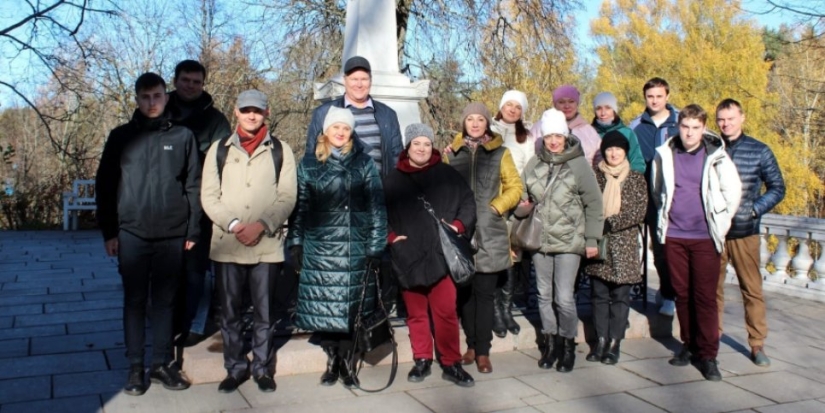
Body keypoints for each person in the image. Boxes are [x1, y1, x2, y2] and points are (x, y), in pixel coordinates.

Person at [95, 72, 200, 395]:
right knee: (135, 301)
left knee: (166, 302)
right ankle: (135, 368)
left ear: (166, 97)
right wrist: (110, 232)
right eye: (145, 97)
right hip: (132, 234)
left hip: (172, 233)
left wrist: (192, 228)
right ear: (137, 100)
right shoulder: (120, 137)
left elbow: (194, 185)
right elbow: (105, 186)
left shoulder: (183, 136)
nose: (152, 103)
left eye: (157, 96)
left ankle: (161, 363)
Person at [200, 90, 297, 393]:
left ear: (267, 112)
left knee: (264, 312)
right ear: (236, 112)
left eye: (257, 110)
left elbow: (287, 196)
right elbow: (209, 195)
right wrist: (234, 224)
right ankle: (235, 367)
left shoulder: (282, 150)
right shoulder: (220, 150)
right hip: (228, 244)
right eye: (246, 110)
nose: (251, 115)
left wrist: (261, 225)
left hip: (266, 245)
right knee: (229, 313)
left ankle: (262, 368)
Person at [287, 106, 387, 389]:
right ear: (325, 131)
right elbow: (300, 208)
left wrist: (376, 247)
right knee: (326, 308)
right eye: (336, 128)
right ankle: (332, 359)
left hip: (355, 247)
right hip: (321, 248)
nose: (341, 132)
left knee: (350, 309)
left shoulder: (365, 163)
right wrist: (295, 243)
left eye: (345, 128)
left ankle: (346, 361)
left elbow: (377, 208)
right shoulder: (308, 164)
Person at [650, 104, 742, 382]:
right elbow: (657, 190)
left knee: (704, 297)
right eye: (685, 127)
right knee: (682, 293)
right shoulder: (665, 154)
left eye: (695, 128)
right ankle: (688, 345)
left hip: (704, 237)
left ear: (703, 128)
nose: (690, 133)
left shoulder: (716, 155)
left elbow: (732, 192)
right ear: (679, 126)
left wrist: (720, 224)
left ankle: (709, 355)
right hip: (676, 236)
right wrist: (666, 218)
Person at [383, 123, 477, 387]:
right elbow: (379, 214)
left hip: (440, 254)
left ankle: (451, 362)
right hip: (408, 253)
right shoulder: (392, 179)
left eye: (426, 143)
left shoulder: (448, 174)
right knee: (416, 313)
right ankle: (422, 359)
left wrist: (458, 226)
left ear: (432, 145)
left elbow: (468, 202)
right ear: (408, 146)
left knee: (446, 311)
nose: (422, 148)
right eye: (416, 143)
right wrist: (391, 238)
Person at [521, 108, 603, 373]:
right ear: (543, 137)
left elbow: (594, 203)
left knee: (564, 297)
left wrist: (592, 239)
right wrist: (521, 207)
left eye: (558, 135)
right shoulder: (535, 163)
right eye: (549, 136)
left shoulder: (578, 164)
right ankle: (550, 342)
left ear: (566, 135)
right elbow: (523, 196)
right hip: (540, 241)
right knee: (543, 295)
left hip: (569, 240)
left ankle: (568, 345)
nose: (554, 141)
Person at [445, 102, 522, 374]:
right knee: (465, 295)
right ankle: (471, 346)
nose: (475, 124)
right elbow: (442, 188)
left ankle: (484, 351)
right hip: (461, 234)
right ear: (463, 123)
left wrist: (496, 207)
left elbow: (515, 187)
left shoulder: (500, 152)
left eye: (480, 119)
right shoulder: (452, 154)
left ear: (487, 123)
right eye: (470, 119)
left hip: (490, 233)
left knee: (485, 294)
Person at [715, 98, 785, 367]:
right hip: (716, 233)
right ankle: (712, 337)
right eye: (721, 119)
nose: (726, 123)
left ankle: (757, 344)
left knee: (752, 291)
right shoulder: (710, 149)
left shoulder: (759, 151)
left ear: (742, 118)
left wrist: (754, 210)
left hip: (745, 233)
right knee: (711, 290)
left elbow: (777, 188)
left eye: (731, 118)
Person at [167, 59, 232, 347]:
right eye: (185, 80)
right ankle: (164, 323)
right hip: (163, 203)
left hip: (201, 202)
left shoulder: (215, 119)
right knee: (166, 269)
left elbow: (223, 160)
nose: (190, 85)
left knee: (197, 270)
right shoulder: (158, 109)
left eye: (196, 81)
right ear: (176, 80)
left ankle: (194, 323)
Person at [583, 131, 648, 365]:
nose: (613, 153)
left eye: (618, 149)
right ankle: (600, 340)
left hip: (624, 244)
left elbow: (639, 211)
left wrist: (612, 222)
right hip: (599, 243)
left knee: (620, 296)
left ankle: (614, 342)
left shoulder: (636, 178)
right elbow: (586, 204)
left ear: (625, 152)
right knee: (599, 294)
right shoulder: (595, 177)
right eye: (609, 149)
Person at [629, 77, 680, 317]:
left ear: (667, 96)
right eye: (651, 96)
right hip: (647, 196)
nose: (655, 100)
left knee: (670, 248)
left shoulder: (680, 123)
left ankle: (670, 293)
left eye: (659, 96)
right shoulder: (636, 126)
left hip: (675, 197)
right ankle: (666, 293)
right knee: (655, 248)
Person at [305, 56, 402, 177]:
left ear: (371, 81)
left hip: (378, 190)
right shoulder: (323, 112)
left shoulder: (388, 115)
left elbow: (397, 158)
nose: (359, 84)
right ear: (344, 80)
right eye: (354, 79)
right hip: (336, 191)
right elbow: (310, 156)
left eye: (364, 79)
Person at [491, 90, 535, 338]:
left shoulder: (525, 137)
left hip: (516, 201)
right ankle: (495, 310)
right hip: (492, 202)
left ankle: (506, 310)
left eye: (517, 107)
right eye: (508, 105)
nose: (512, 110)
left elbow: (529, 167)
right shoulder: (489, 128)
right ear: (501, 106)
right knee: (495, 255)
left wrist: (526, 195)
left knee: (512, 256)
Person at [531, 85, 601, 167]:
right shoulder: (539, 127)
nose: (567, 106)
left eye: (571, 101)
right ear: (555, 104)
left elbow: (600, 160)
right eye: (561, 102)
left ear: (577, 104)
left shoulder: (588, 131)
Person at [591, 92, 646, 173]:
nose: (603, 113)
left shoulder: (627, 133)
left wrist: (631, 180)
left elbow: (637, 162)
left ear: (614, 110)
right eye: (599, 108)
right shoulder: (589, 133)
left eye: (608, 108)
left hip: (625, 181)